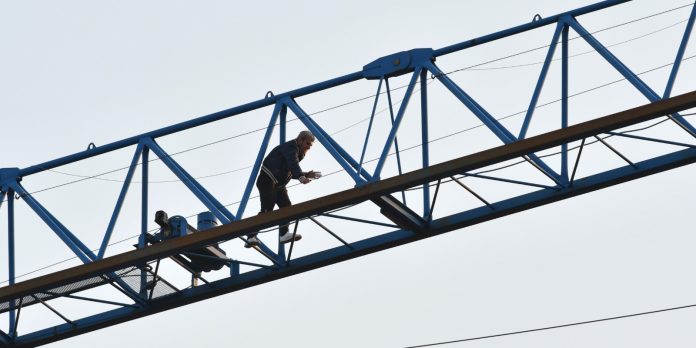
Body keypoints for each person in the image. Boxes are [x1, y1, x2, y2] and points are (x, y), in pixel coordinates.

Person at [245, 130, 321, 248]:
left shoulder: (298, 152)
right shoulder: (291, 148)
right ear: (300, 140)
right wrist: (301, 177)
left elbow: (289, 170)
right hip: (267, 180)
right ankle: (251, 236)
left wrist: (305, 175)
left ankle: (284, 234)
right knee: (267, 209)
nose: (309, 147)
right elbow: (293, 164)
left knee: (286, 207)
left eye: (310, 145)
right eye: (307, 144)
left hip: (278, 184)